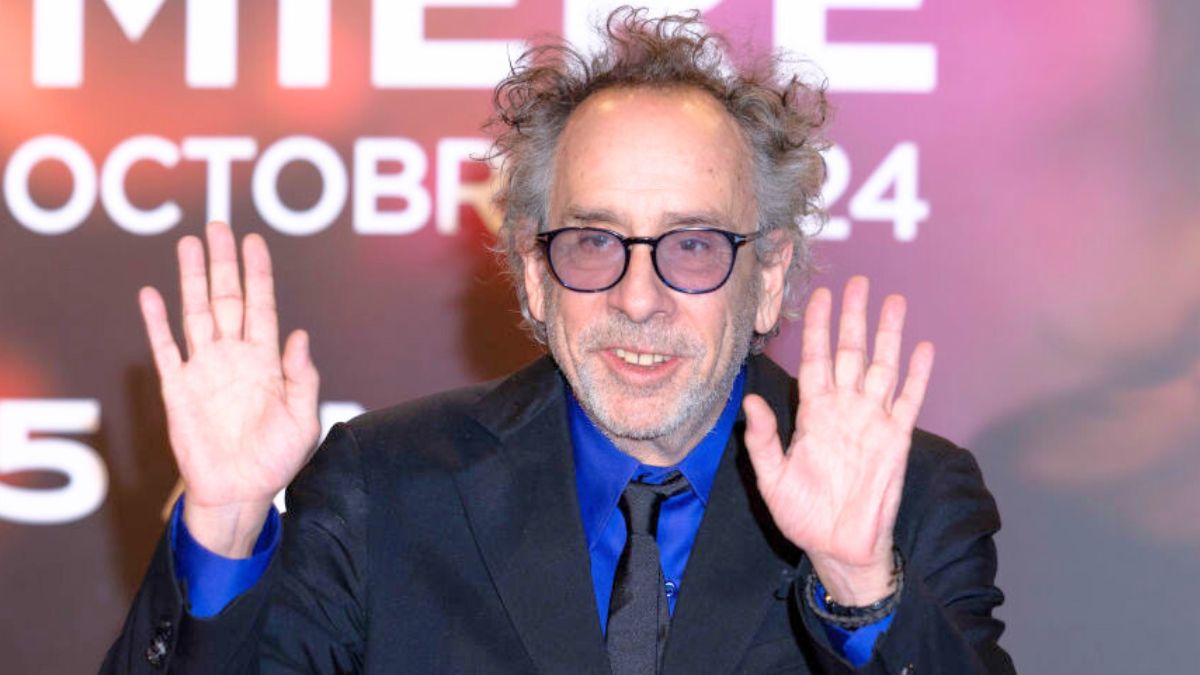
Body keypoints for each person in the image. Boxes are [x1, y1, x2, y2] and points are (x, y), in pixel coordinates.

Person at [102, 8, 1013, 674]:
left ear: (769, 274)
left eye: (693, 246)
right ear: (535, 276)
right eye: (593, 243)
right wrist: (222, 526)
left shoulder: (909, 499)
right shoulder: (385, 484)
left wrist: (859, 583)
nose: (639, 296)